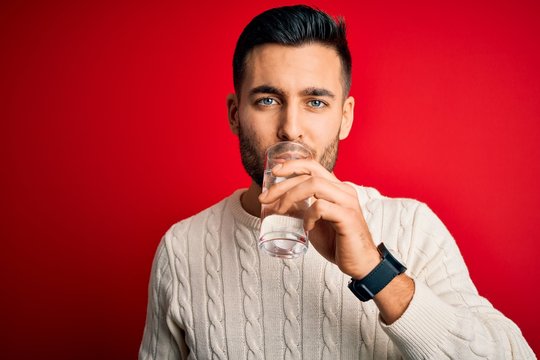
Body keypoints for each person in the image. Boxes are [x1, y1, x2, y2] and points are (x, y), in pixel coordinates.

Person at [139, 5, 535, 359]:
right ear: (234, 114)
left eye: (315, 102)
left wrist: (375, 270)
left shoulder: (413, 227)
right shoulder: (182, 248)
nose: (291, 129)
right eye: (267, 100)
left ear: (345, 117)